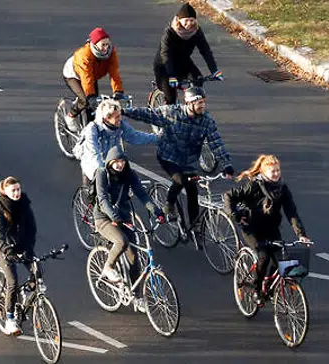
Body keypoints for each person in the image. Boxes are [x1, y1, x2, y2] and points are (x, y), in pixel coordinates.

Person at [123, 86, 234, 241]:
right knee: (181, 180)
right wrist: (124, 111)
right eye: (199, 103)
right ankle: (169, 204)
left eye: (204, 102)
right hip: (169, 157)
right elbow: (147, 114)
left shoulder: (207, 121)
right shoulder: (172, 113)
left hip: (189, 161)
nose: (203, 105)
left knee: (193, 191)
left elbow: (216, 143)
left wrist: (226, 164)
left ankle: (195, 225)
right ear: (189, 103)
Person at [225, 155, 311, 300]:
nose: (277, 173)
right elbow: (229, 196)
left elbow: (291, 212)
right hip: (252, 228)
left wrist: (301, 234)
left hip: (271, 228)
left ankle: (269, 286)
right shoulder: (253, 186)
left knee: (282, 261)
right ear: (263, 172)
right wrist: (235, 215)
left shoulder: (282, 188)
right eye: (273, 171)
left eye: (278, 170)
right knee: (263, 257)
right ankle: (256, 289)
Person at [93, 146, 163, 285]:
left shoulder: (129, 174)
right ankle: (108, 267)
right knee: (122, 241)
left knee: (134, 259)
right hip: (104, 218)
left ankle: (136, 294)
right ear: (110, 162)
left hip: (123, 217)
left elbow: (142, 194)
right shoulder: (102, 173)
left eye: (123, 161)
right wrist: (114, 217)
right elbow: (102, 200)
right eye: (116, 161)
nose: (120, 164)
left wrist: (157, 212)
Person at [76, 98, 158, 202]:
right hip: (92, 164)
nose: (120, 119)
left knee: (121, 194)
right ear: (106, 118)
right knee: (100, 199)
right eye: (117, 117)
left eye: (120, 115)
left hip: (112, 163)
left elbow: (135, 137)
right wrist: (102, 173)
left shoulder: (120, 125)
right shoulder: (92, 129)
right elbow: (93, 153)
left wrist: (158, 138)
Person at [0, 176, 37, 336]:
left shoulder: (24, 203)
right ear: (5, 191)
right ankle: (10, 320)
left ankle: (28, 292)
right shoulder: (0, 208)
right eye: (13, 190)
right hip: (5, 248)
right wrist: (6, 250)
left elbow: (31, 228)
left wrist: (28, 248)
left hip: (21, 244)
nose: (17, 193)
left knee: (37, 271)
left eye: (18, 189)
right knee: (13, 282)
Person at [153, 2, 220, 105]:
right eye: (186, 20)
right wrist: (171, 75)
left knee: (198, 82)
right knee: (171, 97)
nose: (189, 23)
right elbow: (165, 54)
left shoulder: (196, 31)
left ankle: (190, 109)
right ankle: (167, 112)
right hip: (164, 65)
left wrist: (214, 70)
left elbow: (205, 51)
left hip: (183, 61)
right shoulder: (170, 32)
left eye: (192, 20)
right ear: (179, 20)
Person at [61, 27, 124, 129]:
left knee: (94, 107)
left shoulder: (111, 52)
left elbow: (114, 72)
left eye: (107, 44)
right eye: (103, 45)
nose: (106, 48)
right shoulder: (84, 55)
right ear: (94, 44)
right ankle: (70, 116)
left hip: (92, 75)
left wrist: (118, 91)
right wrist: (90, 96)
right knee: (85, 101)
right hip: (73, 75)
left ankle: (90, 129)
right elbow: (86, 78)